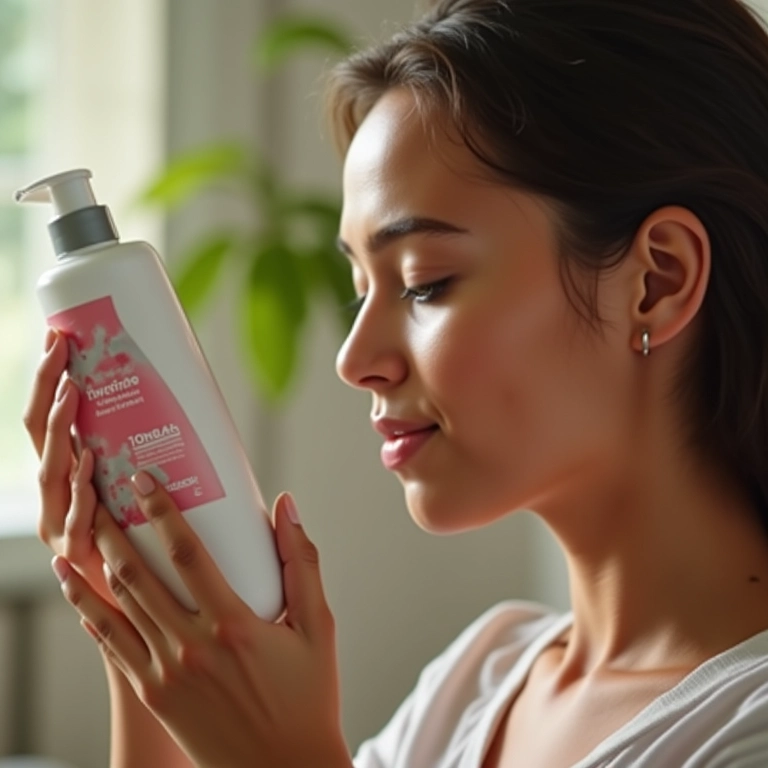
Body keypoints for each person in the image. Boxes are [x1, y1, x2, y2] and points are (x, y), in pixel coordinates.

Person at [22, 0, 768, 765]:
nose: (353, 358)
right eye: (359, 289)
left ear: (657, 279)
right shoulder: (482, 680)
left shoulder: (745, 730)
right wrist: (146, 624)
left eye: (424, 283)